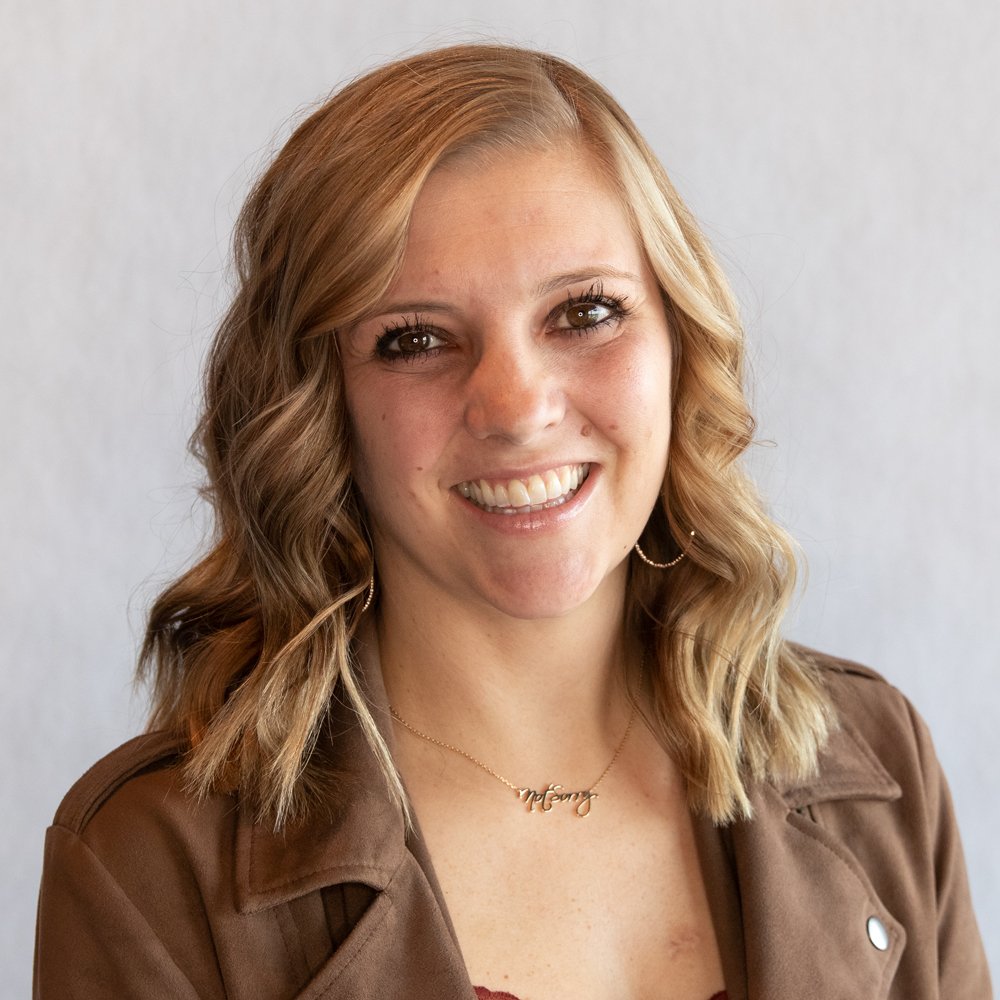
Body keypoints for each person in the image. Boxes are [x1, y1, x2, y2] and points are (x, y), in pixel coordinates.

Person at [34, 44, 990, 1000]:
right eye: (414, 339)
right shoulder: (145, 866)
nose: (518, 408)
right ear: (320, 409)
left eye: (585, 312)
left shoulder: (878, 766)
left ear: (679, 344)